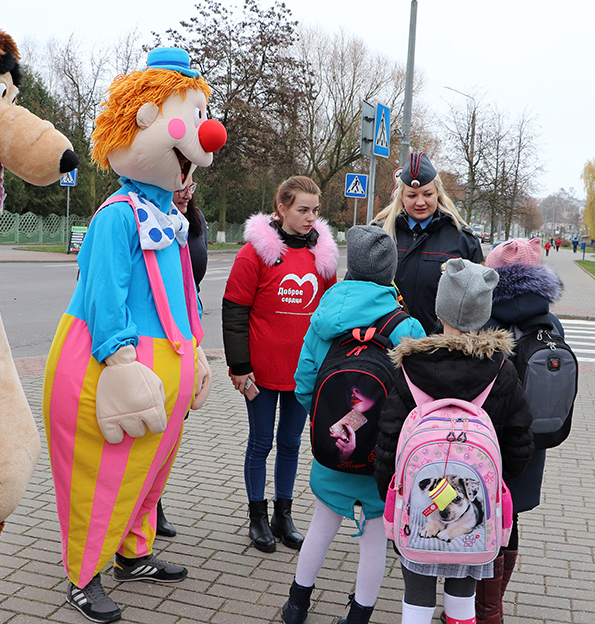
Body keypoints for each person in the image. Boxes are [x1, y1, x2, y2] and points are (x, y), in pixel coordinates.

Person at [43, 48, 221, 623]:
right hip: (113, 368)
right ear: (142, 121)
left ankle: (133, 553)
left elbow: (184, 294)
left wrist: (196, 351)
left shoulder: (169, 217)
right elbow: (104, 295)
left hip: (165, 369)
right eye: (191, 118)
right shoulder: (118, 214)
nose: (208, 135)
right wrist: (119, 361)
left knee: (148, 474)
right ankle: (83, 576)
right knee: (102, 478)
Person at [374, 259, 533, 624]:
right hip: (473, 515)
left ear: (439, 308)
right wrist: (492, 485)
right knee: (463, 600)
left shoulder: (410, 366)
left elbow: (388, 440)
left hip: (420, 511)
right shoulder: (501, 369)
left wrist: (394, 494)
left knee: (416, 597)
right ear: (485, 312)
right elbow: (520, 442)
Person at [281, 226, 425, 624]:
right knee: (373, 541)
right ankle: (359, 616)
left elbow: (304, 384)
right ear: (390, 272)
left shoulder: (324, 317)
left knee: (320, 528)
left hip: (332, 451)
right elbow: (416, 397)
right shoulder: (406, 327)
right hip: (380, 459)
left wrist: (326, 418)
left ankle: (296, 605)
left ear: (351, 267)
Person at [222, 176, 339, 553]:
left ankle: (283, 515)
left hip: (302, 370)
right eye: (302, 209)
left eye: (315, 210)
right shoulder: (255, 252)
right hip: (260, 369)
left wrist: (326, 364)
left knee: (290, 442)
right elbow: (234, 310)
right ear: (282, 208)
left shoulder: (322, 255)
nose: (310, 217)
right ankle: (257, 516)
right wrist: (239, 366)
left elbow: (331, 314)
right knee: (261, 441)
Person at [480, 237, 564, 620]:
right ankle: (492, 607)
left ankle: (474, 604)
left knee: (479, 515)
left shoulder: (483, 319)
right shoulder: (549, 322)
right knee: (509, 516)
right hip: (531, 439)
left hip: (484, 439)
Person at [373, 151, 484, 335]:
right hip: (388, 342)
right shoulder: (380, 234)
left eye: (427, 194)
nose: (420, 202)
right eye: (412, 195)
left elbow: (478, 302)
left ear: (437, 193)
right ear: (401, 196)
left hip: (440, 346)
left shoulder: (464, 240)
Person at [155, 181, 210, 539]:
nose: (187, 191)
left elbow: (193, 283)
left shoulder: (194, 220)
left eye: (191, 184)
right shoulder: (141, 217)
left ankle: (152, 503)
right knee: (149, 427)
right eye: (180, 185)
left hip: (185, 334)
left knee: (172, 429)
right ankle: (133, 510)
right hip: (152, 339)